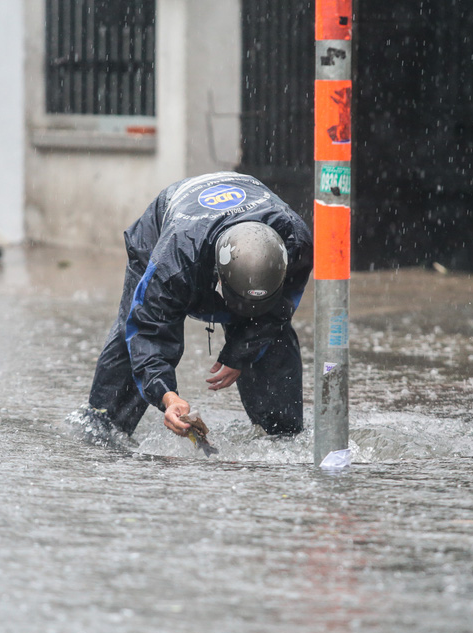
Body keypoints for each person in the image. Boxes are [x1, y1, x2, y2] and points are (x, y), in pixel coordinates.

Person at [83, 172, 313, 440]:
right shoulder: (174, 263)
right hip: (172, 227)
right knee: (131, 335)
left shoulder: (295, 241)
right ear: (217, 280)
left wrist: (241, 351)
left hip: (238, 208)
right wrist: (168, 397)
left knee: (271, 336)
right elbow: (149, 330)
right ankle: (104, 427)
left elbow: (279, 310)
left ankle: (283, 435)